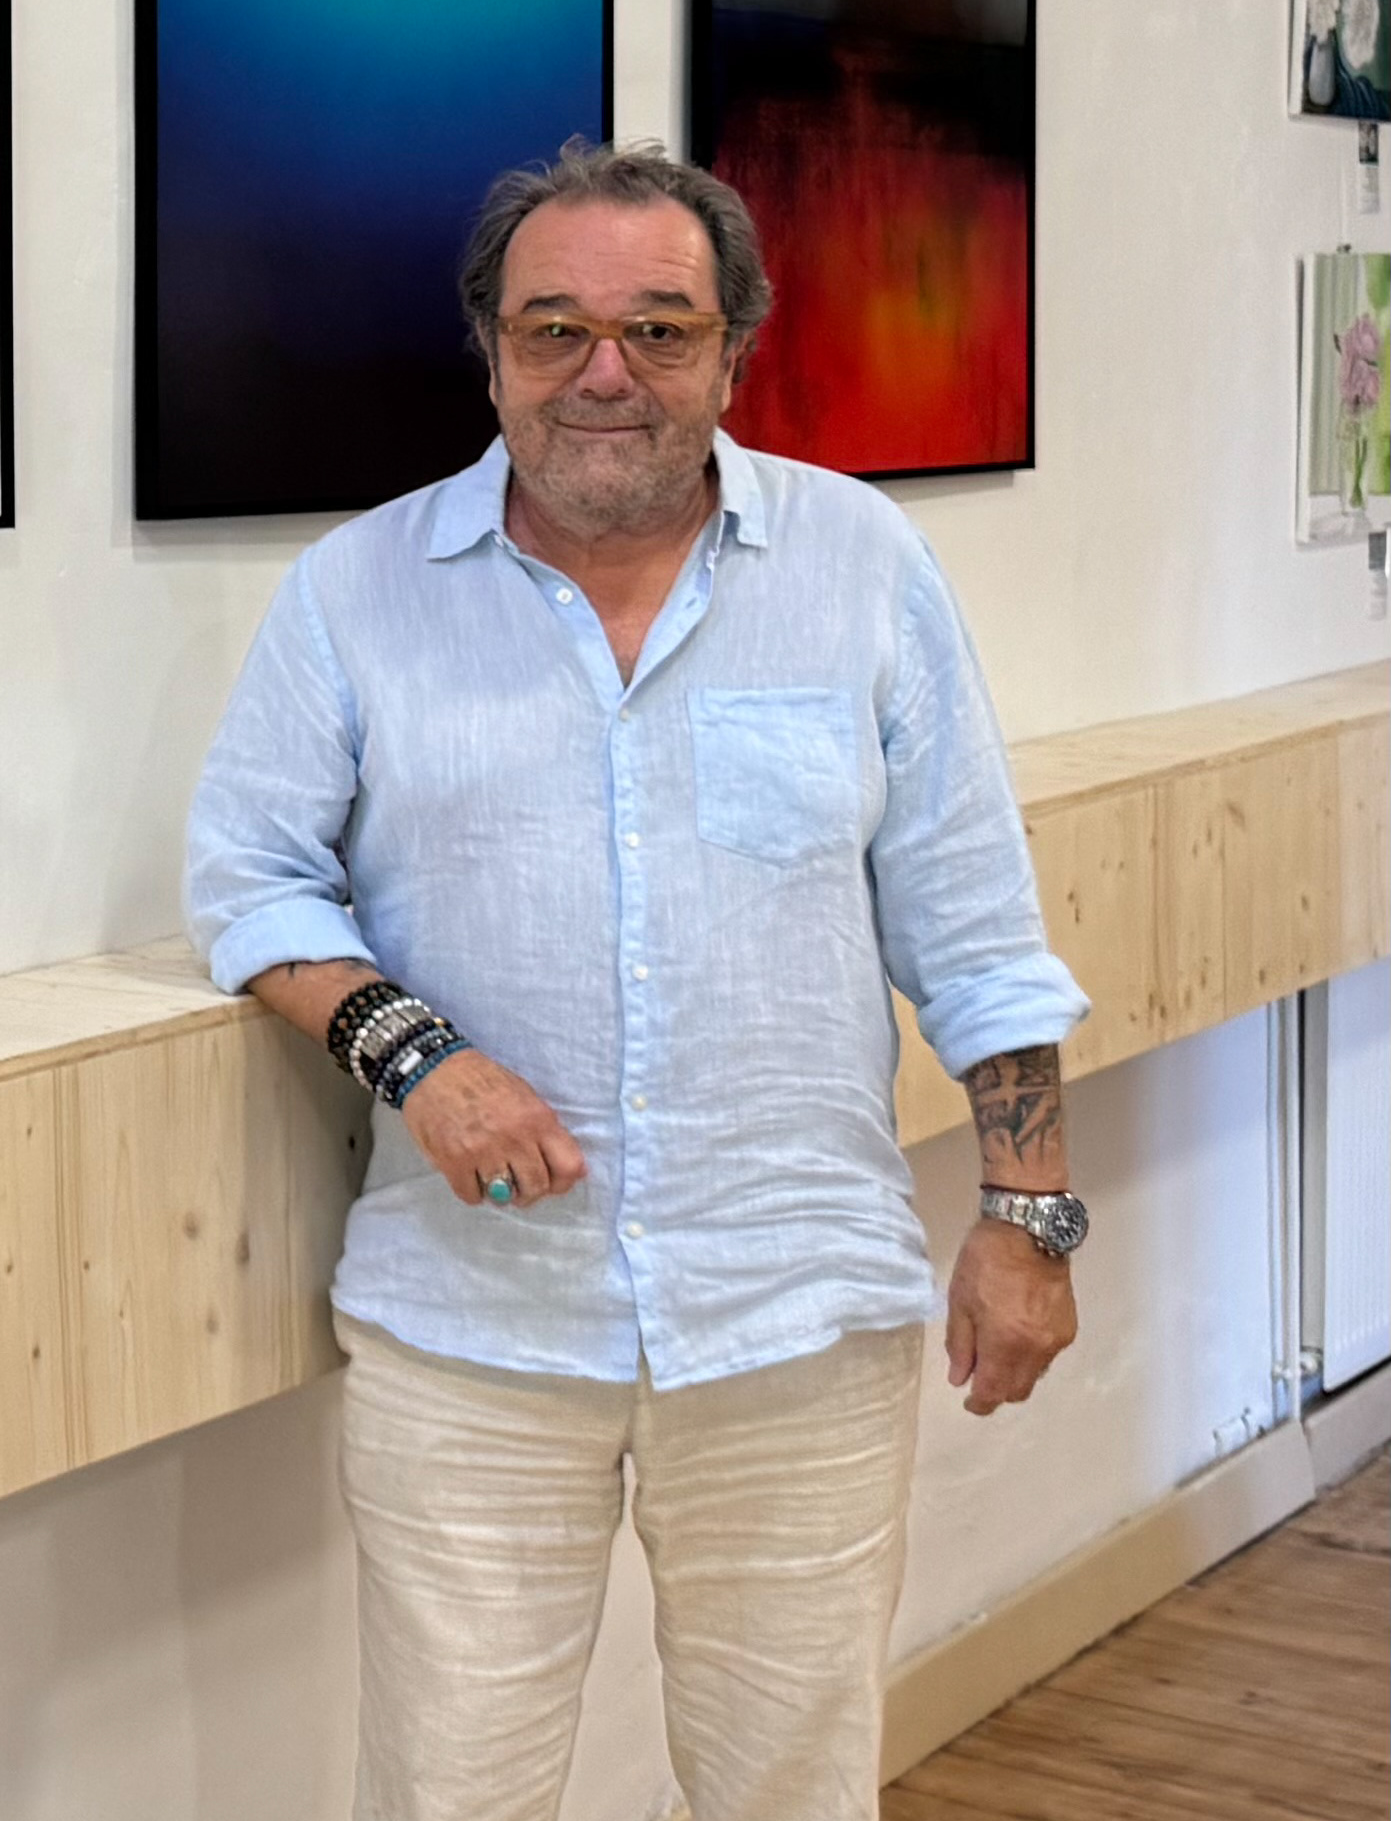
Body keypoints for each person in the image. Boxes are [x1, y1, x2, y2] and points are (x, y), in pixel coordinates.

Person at [186, 141, 1089, 1821]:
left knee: (790, 1794)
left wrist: (1028, 1220)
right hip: (473, 1332)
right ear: (491, 351)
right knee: (450, 1795)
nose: (605, 373)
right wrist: (414, 1055)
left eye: (658, 330)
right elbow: (248, 876)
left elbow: (974, 923)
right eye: (557, 330)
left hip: (796, 1322)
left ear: (735, 352)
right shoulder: (355, 594)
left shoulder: (862, 566)